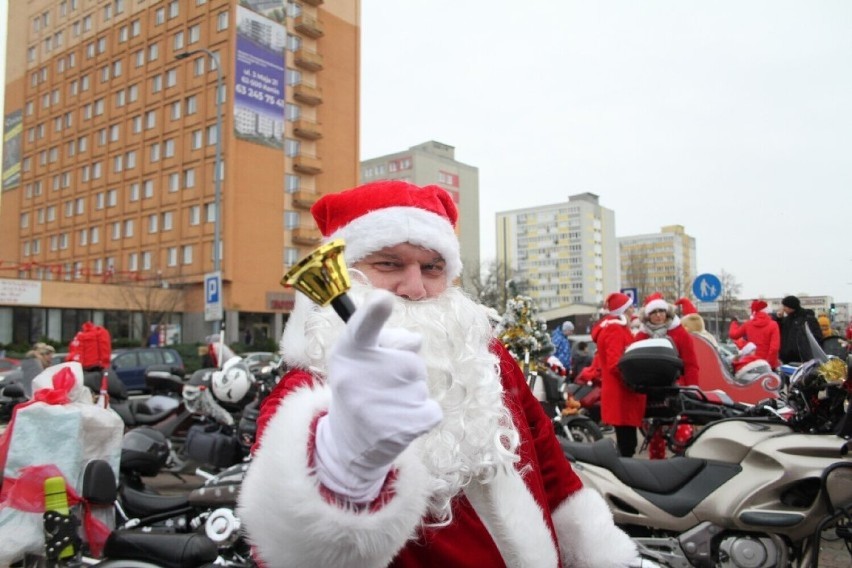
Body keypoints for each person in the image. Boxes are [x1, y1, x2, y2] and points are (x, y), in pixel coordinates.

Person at [237, 181, 637, 567]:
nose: (415, 288)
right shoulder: (308, 386)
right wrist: (346, 465)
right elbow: (291, 545)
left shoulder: (484, 356)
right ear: (342, 273)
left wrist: (595, 549)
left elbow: (547, 460)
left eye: (432, 267)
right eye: (389, 263)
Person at [595, 291, 643, 457]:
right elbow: (615, 363)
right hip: (621, 393)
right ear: (623, 311)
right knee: (627, 444)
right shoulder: (615, 329)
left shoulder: (616, 327)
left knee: (627, 441)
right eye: (630, 308)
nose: (633, 311)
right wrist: (633, 380)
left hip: (622, 392)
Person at [635, 293, 700, 387]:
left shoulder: (679, 332)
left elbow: (690, 364)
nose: (658, 315)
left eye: (661, 311)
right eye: (653, 312)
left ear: (666, 312)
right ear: (648, 315)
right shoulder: (641, 336)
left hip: (676, 386)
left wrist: (692, 386)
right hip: (648, 388)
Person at [728, 300, 780, 369]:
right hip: (768, 365)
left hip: (753, 364)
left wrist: (734, 323)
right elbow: (774, 348)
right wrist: (769, 364)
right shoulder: (773, 325)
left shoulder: (748, 324)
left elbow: (733, 335)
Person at [774, 295, 823, 364]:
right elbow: (779, 332)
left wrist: (808, 351)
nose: (783, 309)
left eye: (785, 306)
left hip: (802, 358)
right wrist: (779, 319)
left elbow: (817, 337)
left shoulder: (807, 318)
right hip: (786, 358)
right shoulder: (786, 319)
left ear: (791, 306)